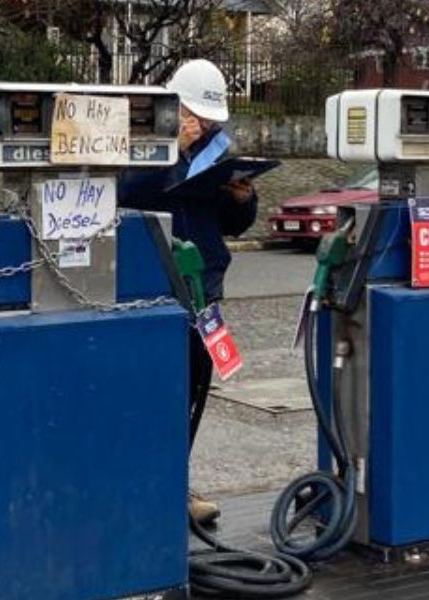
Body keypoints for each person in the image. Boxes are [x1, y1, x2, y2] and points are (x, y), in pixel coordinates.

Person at [117, 59, 258, 526]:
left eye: (207, 119)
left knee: (194, 389)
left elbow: (232, 224)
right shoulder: (141, 144)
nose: (201, 126)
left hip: (205, 287)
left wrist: (243, 198)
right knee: (151, 392)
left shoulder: (217, 154)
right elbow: (124, 192)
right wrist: (169, 153)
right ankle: (145, 485)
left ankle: (176, 482)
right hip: (154, 284)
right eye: (194, 115)